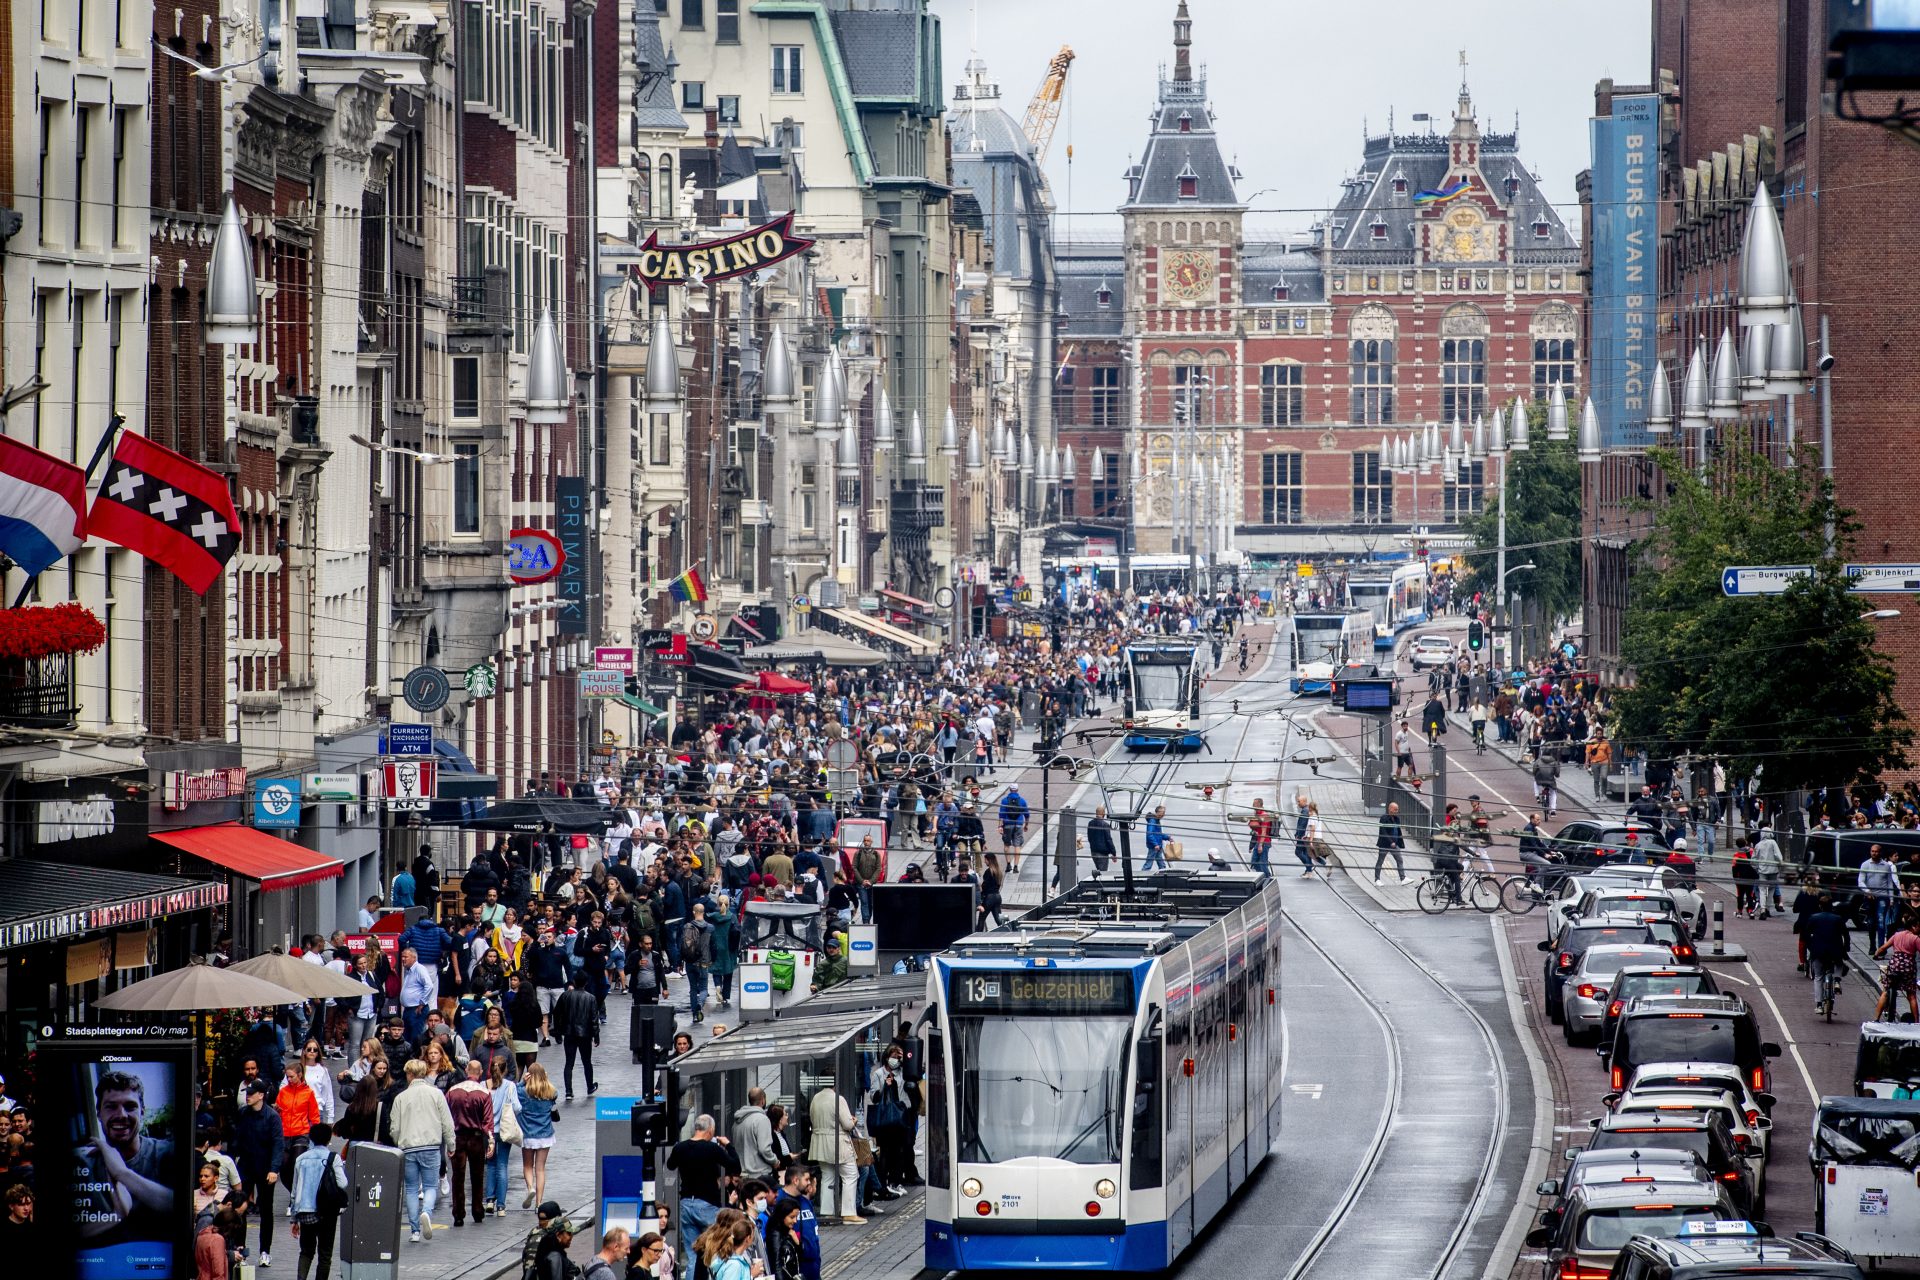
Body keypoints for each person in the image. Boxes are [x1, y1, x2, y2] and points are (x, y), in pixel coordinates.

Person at [74, 1068, 178, 1250]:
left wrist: (122, 1173)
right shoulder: (82, 1163)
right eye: (111, 1106)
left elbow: (180, 1206)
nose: (121, 1114)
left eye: (130, 1106)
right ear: (98, 1113)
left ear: (142, 1112)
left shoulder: (167, 1153)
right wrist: (117, 1215)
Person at [388, 1058, 455, 1243]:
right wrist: (451, 1145)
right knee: (430, 1186)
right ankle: (426, 1211)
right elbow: (447, 1122)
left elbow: (394, 1128)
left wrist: (399, 1141)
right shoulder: (436, 1094)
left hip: (408, 1147)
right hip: (431, 1147)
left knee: (410, 1188)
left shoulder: (400, 1098)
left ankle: (415, 1231)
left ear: (409, 1074)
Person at [665, 1114, 739, 1269]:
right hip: (707, 1204)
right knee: (716, 1250)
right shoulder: (712, 1149)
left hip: (686, 1203)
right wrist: (728, 1145)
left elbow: (670, 1165)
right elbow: (735, 1167)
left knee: (692, 1257)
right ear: (710, 1130)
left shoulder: (680, 1147)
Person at [288, 1122, 347, 1280]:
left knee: (306, 1251)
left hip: (306, 1211)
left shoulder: (301, 1159)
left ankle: (301, 1278)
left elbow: (294, 1191)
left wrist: (294, 1219)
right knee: (325, 1254)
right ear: (328, 1140)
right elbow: (343, 1183)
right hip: (327, 1211)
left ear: (311, 1138)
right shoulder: (333, 1158)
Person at [233, 1082, 284, 1264]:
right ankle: (240, 1248)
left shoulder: (272, 1117)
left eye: (252, 1093)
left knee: (266, 1210)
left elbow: (278, 1144)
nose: (248, 1096)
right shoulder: (243, 1114)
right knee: (240, 1208)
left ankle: (265, 1251)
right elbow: (236, 1139)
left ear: (261, 1095)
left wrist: (274, 1169)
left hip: (264, 1168)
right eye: (248, 1093)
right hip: (245, 1167)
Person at [806, 1083, 861, 1226]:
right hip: (838, 1143)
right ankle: (849, 1213)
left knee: (827, 1177)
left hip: (820, 1143)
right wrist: (853, 1121)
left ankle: (827, 1211)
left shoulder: (815, 1099)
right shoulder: (838, 1099)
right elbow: (848, 1125)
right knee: (850, 1175)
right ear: (835, 1085)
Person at [552, 973, 601, 1100]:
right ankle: (589, 1086)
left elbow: (556, 1013)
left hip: (569, 1032)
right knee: (586, 1061)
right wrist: (596, 1035)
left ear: (574, 981)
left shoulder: (565, 995)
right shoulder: (591, 998)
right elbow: (594, 1018)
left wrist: (558, 1029)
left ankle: (569, 1091)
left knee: (569, 1062)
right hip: (585, 1034)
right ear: (586, 982)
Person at [771, 1164, 821, 1280]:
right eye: (806, 1180)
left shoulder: (805, 1201)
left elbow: (814, 1231)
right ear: (795, 1180)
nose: (809, 1183)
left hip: (812, 1266)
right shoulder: (779, 1200)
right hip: (795, 1265)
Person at [1804, 894, 1852, 1011]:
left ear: (1820, 906)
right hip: (1835, 950)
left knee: (1818, 977)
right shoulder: (1837, 919)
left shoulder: (1813, 918)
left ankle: (1819, 1005)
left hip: (1818, 951)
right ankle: (1837, 980)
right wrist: (1846, 948)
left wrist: (1811, 947)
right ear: (1831, 906)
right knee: (1839, 964)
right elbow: (1846, 934)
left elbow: (1806, 935)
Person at [1860, 844, 1901, 950]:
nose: (1874, 853)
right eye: (1872, 851)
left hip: (1883, 896)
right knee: (1871, 922)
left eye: (1876, 851)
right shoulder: (1865, 864)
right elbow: (1861, 881)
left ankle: (1881, 947)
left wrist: (1891, 898)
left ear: (1880, 852)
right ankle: (1872, 945)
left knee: (1881, 921)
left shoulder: (1886, 866)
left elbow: (1889, 883)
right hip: (1870, 897)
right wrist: (1867, 891)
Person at [732, 1088, 777, 1183]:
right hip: (759, 1175)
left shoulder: (737, 1121)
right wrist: (775, 1161)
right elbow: (764, 1149)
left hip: (742, 1175)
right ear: (763, 1100)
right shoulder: (762, 1120)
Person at [1750, 828, 1785, 917]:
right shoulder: (1773, 843)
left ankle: (1762, 910)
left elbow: (1753, 860)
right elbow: (1778, 856)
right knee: (1771, 889)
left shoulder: (1758, 845)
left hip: (1762, 870)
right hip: (1773, 870)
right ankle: (1768, 909)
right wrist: (1780, 865)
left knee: (1762, 890)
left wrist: (1757, 868)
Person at [1373, 802, 1406, 885]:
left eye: (1397, 809)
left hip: (1395, 844)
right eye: (1395, 809)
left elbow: (1398, 831)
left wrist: (1399, 842)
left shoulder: (1397, 819)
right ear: (1390, 809)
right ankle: (1377, 879)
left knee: (1399, 860)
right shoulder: (1384, 818)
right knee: (1380, 861)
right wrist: (1391, 842)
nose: (1397, 811)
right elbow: (1383, 831)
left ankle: (1403, 878)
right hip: (1385, 844)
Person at [998, 786, 1028, 875]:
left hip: (1007, 824)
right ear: (1017, 790)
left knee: (1006, 844)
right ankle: (1016, 866)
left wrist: (1000, 826)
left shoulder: (1004, 800)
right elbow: (1027, 814)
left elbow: (1001, 815)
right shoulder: (1022, 801)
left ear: (1010, 790)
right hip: (1018, 824)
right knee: (1017, 845)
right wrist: (1026, 825)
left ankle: (1008, 864)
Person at [1086, 806, 1115, 878]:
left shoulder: (1090, 823)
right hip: (1102, 853)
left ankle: (1096, 881)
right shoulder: (1105, 825)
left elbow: (1089, 837)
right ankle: (1099, 886)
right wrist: (1113, 852)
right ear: (1103, 814)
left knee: (1099, 870)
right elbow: (1108, 840)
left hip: (1093, 852)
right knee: (1103, 873)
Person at [1246, 799, 1274, 875]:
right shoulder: (1257, 814)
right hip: (1259, 841)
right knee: (1254, 862)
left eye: (1254, 804)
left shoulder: (1264, 815)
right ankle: (1262, 876)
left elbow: (1264, 832)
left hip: (1264, 842)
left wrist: (1260, 845)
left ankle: (1268, 878)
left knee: (1262, 863)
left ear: (1259, 804)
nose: (1252, 805)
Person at [1142, 805, 1170, 872]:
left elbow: (1158, 834)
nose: (1163, 814)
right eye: (1162, 812)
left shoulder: (1156, 820)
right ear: (1157, 812)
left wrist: (1168, 837)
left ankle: (1164, 873)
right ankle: (1142, 874)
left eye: (1164, 812)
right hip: (1154, 846)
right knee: (1149, 862)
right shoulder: (1152, 821)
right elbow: (1149, 834)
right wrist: (1155, 844)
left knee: (1160, 861)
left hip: (1158, 845)